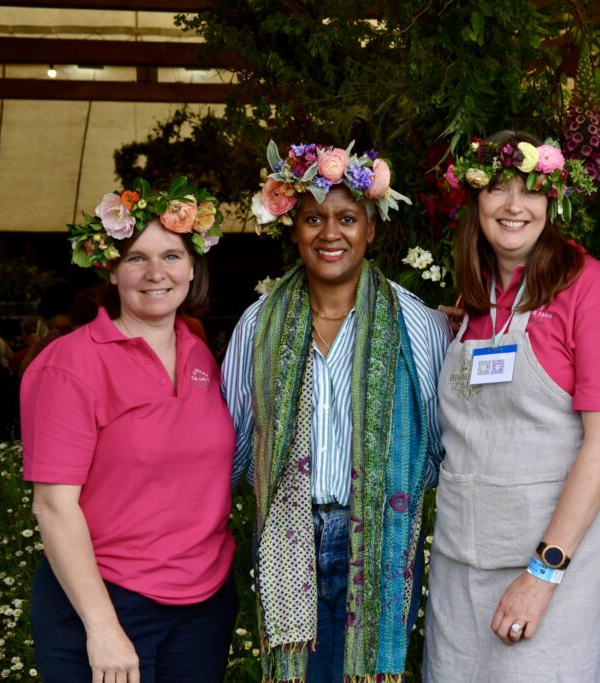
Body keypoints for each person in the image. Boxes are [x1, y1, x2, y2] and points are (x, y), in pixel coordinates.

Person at [222, 140, 451, 682]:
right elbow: (230, 447)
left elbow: (439, 447)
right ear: (293, 229)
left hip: (377, 538)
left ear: (371, 229)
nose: (330, 233)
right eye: (312, 219)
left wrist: (388, 501)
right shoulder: (257, 326)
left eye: (347, 218)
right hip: (287, 539)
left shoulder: (416, 325)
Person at [423, 131, 600, 681]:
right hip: (459, 564)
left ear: (552, 201)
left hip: (551, 569)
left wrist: (543, 575)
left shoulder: (589, 288)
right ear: (475, 200)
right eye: (497, 188)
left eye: (531, 190)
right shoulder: (475, 293)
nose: (514, 206)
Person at [21, 177, 236, 682]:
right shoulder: (69, 365)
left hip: (203, 604)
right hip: (106, 598)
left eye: (172, 256)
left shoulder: (199, 352)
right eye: (137, 257)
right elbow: (54, 505)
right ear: (111, 270)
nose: (156, 273)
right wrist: (102, 626)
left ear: (192, 268)